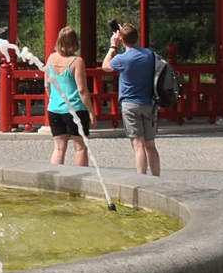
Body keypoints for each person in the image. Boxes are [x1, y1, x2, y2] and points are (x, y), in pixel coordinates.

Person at [103, 22, 161, 176]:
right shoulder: (149, 54)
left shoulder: (122, 59)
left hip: (130, 104)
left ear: (121, 40)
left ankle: (141, 180)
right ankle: (157, 179)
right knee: (150, 145)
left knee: (138, 146)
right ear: (138, 37)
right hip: (149, 103)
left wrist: (113, 46)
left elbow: (105, 66)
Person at [44, 26, 92, 167]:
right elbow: (82, 90)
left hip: (54, 109)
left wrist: (55, 100)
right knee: (80, 148)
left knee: (58, 148)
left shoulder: (51, 58)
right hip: (74, 109)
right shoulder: (77, 61)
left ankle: (56, 181)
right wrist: (91, 112)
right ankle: (80, 181)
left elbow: (47, 85)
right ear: (74, 42)